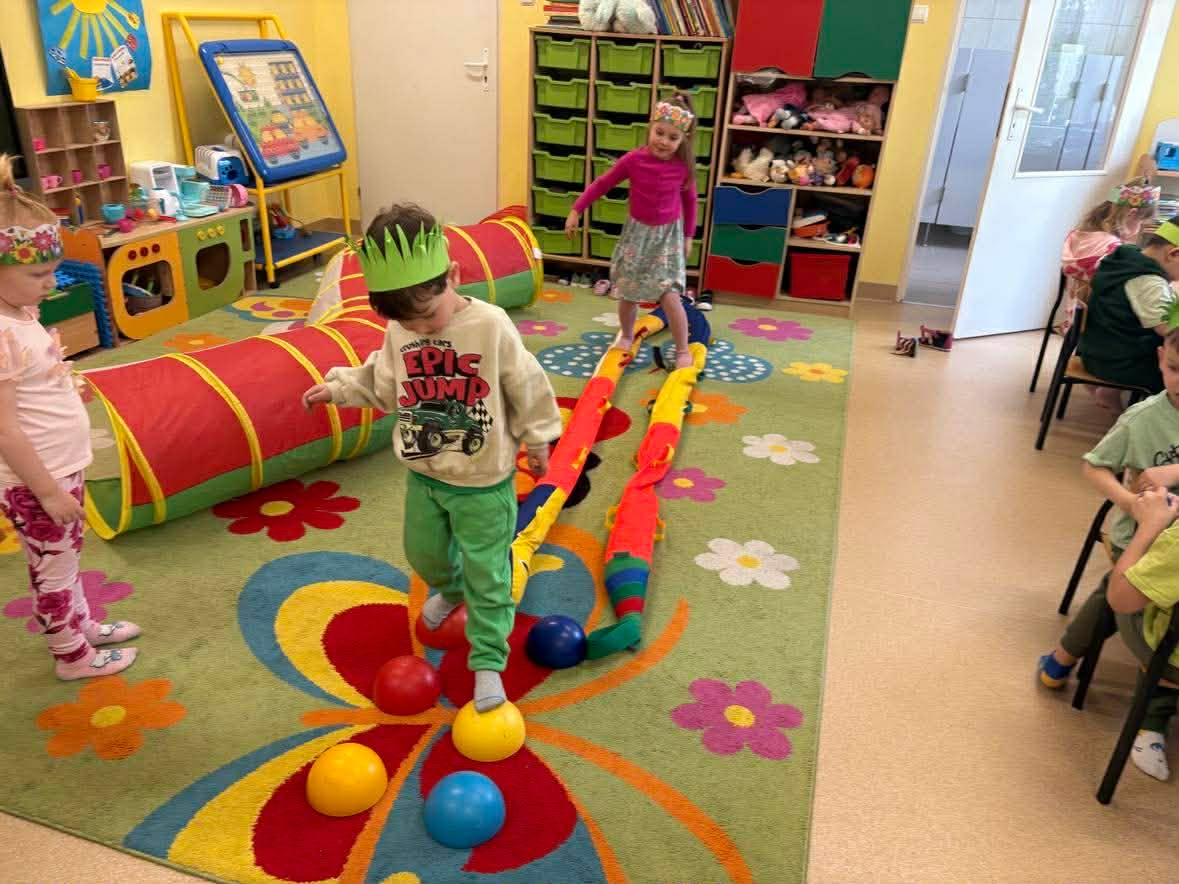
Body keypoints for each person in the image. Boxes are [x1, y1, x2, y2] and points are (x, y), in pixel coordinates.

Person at [302, 204, 561, 712]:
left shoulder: (490, 325)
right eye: (407, 320)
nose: (420, 328)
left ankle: (487, 662)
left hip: (483, 479)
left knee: (489, 575)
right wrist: (338, 389)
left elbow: (526, 382)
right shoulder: (402, 331)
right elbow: (384, 380)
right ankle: (451, 587)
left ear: (454, 277)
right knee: (423, 554)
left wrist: (538, 439)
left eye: (427, 315)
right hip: (425, 474)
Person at [0, 154, 139, 680]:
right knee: (52, 569)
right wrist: (48, 493)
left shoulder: (19, 312)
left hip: (58, 466)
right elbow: (5, 429)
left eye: (51, 269)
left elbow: (34, 383)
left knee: (66, 557)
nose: (51, 281)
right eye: (37, 273)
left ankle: (81, 625)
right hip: (36, 479)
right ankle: (72, 657)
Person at [1038, 328, 1179, 779]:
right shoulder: (1143, 417)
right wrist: (1128, 503)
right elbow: (1094, 466)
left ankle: (1064, 657)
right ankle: (1147, 719)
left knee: (1149, 603)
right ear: (1160, 359)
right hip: (1137, 535)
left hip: (1170, 549)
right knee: (1144, 607)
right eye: (1175, 369)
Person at [564, 95, 698, 369]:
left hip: (667, 239)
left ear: (683, 140)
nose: (663, 141)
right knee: (628, 291)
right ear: (650, 128)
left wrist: (688, 236)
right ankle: (626, 335)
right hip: (637, 235)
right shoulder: (634, 160)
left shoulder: (682, 167)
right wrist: (577, 209)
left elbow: (691, 201)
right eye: (659, 133)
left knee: (671, 295)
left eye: (672, 137)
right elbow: (603, 183)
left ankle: (682, 349)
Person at [1077, 216, 1179, 397]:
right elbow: (1167, 329)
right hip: (1122, 364)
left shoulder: (1125, 259)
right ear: (1174, 254)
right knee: (1173, 365)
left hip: (1096, 353)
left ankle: (1111, 394)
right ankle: (1119, 398)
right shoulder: (1148, 281)